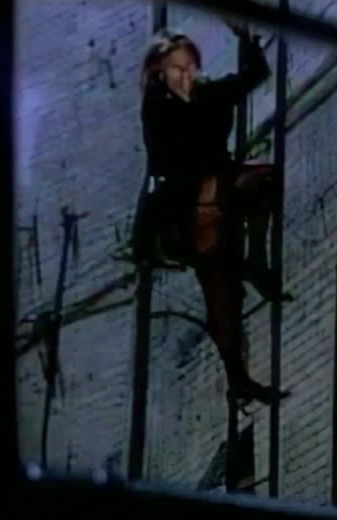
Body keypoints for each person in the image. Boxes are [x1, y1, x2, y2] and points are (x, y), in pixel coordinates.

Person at [139, 25, 290, 405]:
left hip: (221, 189)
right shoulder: (158, 107)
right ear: (160, 72)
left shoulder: (209, 94)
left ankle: (256, 262)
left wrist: (247, 37)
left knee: (265, 181)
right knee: (221, 289)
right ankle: (238, 378)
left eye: (191, 67)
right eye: (177, 69)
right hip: (187, 206)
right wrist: (205, 185)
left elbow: (254, 75)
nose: (186, 75)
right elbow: (164, 161)